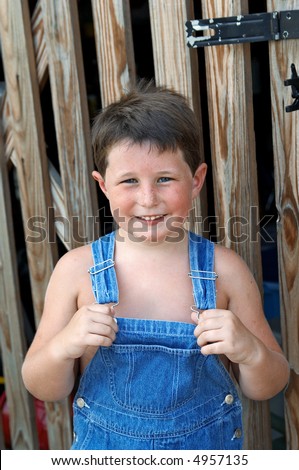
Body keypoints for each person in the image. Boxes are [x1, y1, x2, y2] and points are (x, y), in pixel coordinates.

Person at [22, 80, 289, 450]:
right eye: (129, 181)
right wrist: (64, 345)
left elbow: (269, 385)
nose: (148, 199)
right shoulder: (76, 271)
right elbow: (41, 384)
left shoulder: (225, 271)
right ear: (103, 186)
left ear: (196, 181)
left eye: (165, 179)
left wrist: (250, 351)